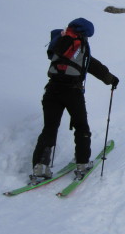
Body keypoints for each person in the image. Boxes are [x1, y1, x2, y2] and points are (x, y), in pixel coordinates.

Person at [31, 18, 119, 181]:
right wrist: (112, 79)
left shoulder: (61, 40)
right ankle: (82, 163)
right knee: (81, 127)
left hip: (51, 90)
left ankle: (40, 166)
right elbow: (92, 66)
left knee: (50, 128)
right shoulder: (81, 46)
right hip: (72, 92)